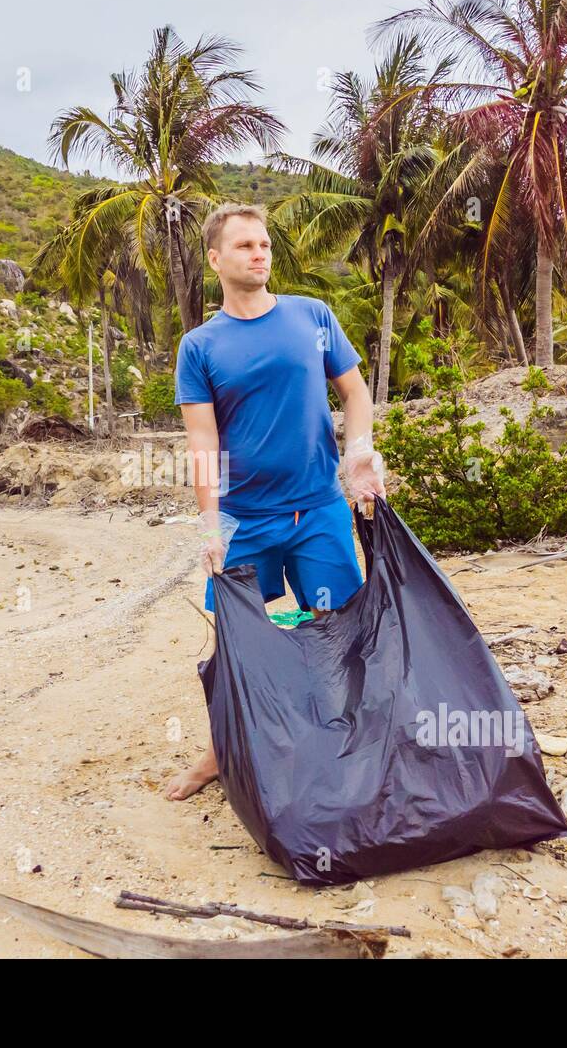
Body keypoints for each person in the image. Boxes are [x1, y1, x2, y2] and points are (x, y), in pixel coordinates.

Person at [163, 202, 386, 801]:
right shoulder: (199, 346)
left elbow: (356, 393)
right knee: (236, 643)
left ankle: (352, 743)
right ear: (215, 259)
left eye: (263, 244)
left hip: (318, 511)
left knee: (339, 626)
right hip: (245, 523)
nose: (259, 253)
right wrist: (211, 525)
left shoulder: (312, 316)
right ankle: (218, 754)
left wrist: (358, 449)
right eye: (244, 246)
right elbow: (202, 442)